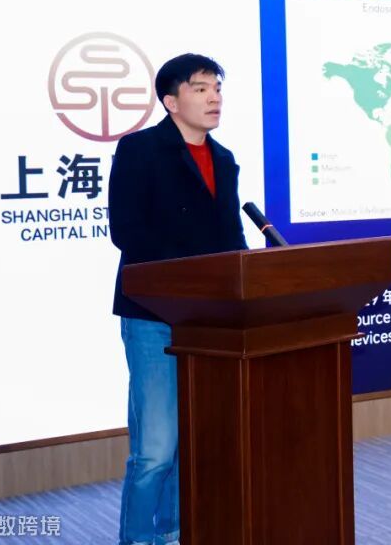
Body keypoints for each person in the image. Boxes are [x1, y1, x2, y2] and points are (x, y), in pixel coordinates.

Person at [108, 53, 248, 545]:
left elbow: (231, 238)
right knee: (156, 449)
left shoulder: (224, 159)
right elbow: (127, 231)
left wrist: (248, 281)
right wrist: (194, 273)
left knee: (192, 442)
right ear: (171, 101)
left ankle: (173, 533)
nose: (214, 98)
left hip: (208, 322)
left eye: (217, 88)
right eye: (200, 88)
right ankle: (136, 539)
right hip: (152, 314)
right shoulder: (140, 150)